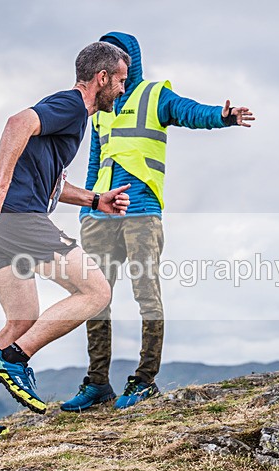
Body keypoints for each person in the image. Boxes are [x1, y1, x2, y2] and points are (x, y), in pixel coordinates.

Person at [0, 41, 134, 439]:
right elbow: (16, 123)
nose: (123, 90)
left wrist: (96, 200)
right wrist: (3, 186)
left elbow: (53, 181)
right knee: (96, 291)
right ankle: (14, 359)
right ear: (102, 78)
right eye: (121, 81)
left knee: (21, 321)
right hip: (16, 217)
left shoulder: (66, 114)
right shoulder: (73, 105)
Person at [60, 32, 254, 412]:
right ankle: (98, 383)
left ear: (129, 60)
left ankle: (145, 379)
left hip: (142, 211)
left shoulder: (154, 95)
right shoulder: (101, 106)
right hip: (100, 214)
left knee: (146, 293)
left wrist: (222, 116)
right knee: (93, 296)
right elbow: (96, 159)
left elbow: (189, 111)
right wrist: (88, 206)